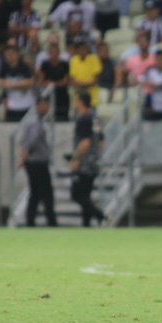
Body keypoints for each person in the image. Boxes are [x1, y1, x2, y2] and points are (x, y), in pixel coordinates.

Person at [69, 92, 105, 227]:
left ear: (80, 102)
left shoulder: (83, 119)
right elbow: (101, 142)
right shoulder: (94, 118)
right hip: (94, 163)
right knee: (86, 196)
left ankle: (101, 215)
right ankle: (86, 224)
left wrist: (75, 158)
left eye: (76, 100)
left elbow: (85, 142)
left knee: (76, 195)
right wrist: (94, 155)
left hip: (84, 164)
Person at [20, 97, 57, 227]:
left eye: (47, 105)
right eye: (43, 105)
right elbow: (31, 141)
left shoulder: (37, 121)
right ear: (37, 106)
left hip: (35, 161)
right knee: (46, 194)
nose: (45, 108)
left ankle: (30, 222)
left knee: (35, 194)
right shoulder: (35, 122)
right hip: (37, 162)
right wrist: (25, 156)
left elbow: (23, 141)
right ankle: (51, 222)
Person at [38, 42, 71, 121]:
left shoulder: (64, 64)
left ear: (59, 53)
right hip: (48, 96)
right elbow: (41, 81)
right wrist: (50, 84)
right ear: (49, 53)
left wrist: (53, 84)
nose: (54, 54)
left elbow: (66, 81)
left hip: (62, 95)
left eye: (55, 52)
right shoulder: (44, 64)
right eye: (51, 52)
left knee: (63, 117)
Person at [69, 38, 102, 109]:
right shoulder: (73, 60)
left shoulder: (94, 59)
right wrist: (79, 85)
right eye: (79, 48)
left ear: (87, 49)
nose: (81, 50)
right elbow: (72, 79)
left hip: (92, 99)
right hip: (78, 99)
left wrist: (82, 85)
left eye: (83, 48)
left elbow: (96, 79)